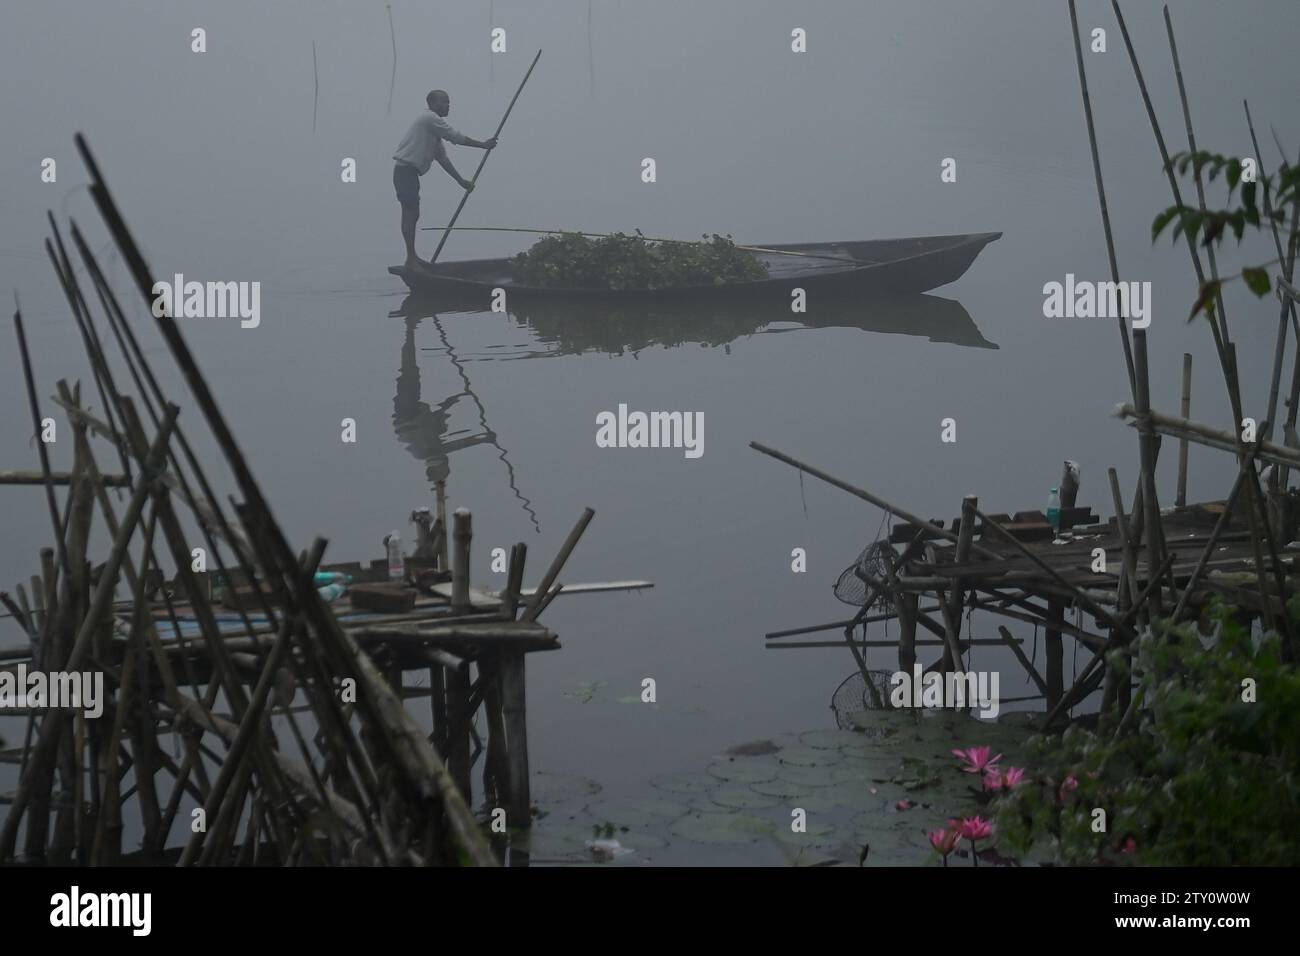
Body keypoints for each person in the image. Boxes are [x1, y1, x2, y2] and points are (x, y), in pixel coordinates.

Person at [392, 90, 497, 267]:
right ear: (432, 104)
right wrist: (482, 145)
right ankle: (411, 258)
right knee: (410, 212)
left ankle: (413, 257)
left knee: (414, 212)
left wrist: (460, 181)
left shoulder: (433, 130)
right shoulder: (429, 119)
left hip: (409, 173)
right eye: (443, 102)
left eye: (448, 102)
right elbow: (455, 137)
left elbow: (442, 158)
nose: (447, 105)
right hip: (405, 171)